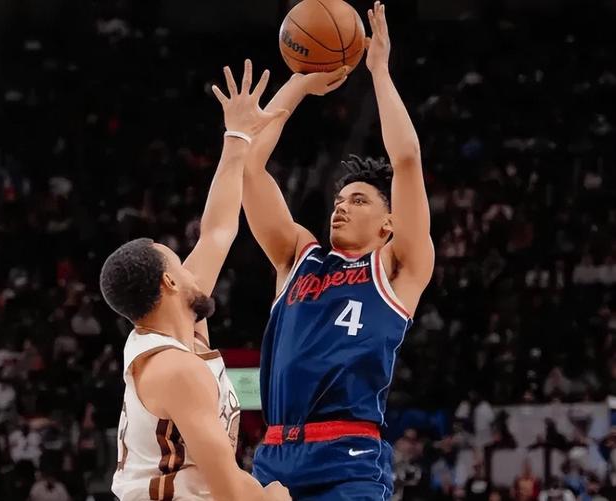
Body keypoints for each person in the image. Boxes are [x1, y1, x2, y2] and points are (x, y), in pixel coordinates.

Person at [242, 2, 434, 499]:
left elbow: (407, 159)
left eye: (359, 200)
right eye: (339, 200)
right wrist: (300, 83)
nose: (342, 208)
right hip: (274, 455)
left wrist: (379, 72)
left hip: (349, 456)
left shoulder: (396, 267)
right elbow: (250, 170)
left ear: (389, 223)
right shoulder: (298, 258)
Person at [101, 60, 290, 501]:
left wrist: (237, 135)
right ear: (170, 283)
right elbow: (228, 490)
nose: (193, 269)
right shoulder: (176, 369)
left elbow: (218, 230)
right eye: (180, 264)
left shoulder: (179, 329)